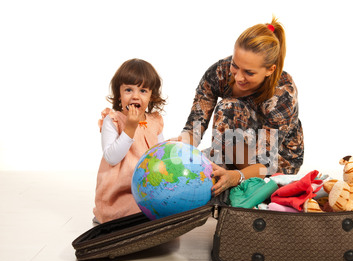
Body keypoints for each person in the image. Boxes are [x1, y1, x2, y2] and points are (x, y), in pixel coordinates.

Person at [178, 17, 304, 197]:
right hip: (233, 147)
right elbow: (195, 125)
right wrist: (182, 144)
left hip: (277, 161)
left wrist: (237, 176)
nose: (238, 77)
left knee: (229, 108)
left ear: (270, 70)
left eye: (249, 72)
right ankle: (228, 173)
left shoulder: (283, 94)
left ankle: (247, 186)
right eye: (235, 66)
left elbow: (266, 163)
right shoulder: (220, 71)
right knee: (192, 168)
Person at [93, 58, 166, 223]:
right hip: (120, 191)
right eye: (128, 90)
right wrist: (130, 128)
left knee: (165, 205)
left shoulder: (154, 121)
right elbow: (111, 157)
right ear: (119, 94)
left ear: (152, 96)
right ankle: (109, 213)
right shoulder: (113, 120)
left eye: (143, 91)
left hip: (147, 188)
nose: (135, 96)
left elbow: (160, 155)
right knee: (136, 211)